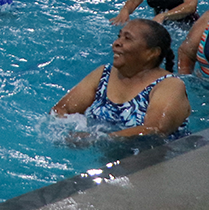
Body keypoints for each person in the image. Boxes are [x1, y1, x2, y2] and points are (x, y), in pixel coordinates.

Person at [53, 19, 189, 139]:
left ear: (151, 53)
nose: (117, 43)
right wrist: (66, 132)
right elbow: (61, 109)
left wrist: (98, 139)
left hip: (159, 158)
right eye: (119, 37)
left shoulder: (169, 85)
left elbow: (154, 131)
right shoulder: (103, 74)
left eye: (127, 39)